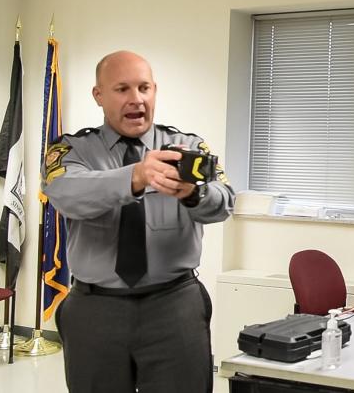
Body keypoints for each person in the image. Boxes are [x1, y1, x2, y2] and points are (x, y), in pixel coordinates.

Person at [43, 51, 234, 392]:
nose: (136, 100)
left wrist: (193, 194)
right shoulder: (74, 150)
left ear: (155, 91)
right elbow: (64, 193)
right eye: (122, 89)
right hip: (95, 309)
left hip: (174, 305)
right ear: (99, 95)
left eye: (144, 88)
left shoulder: (187, 147)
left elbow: (223, 203)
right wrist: (136, 176)